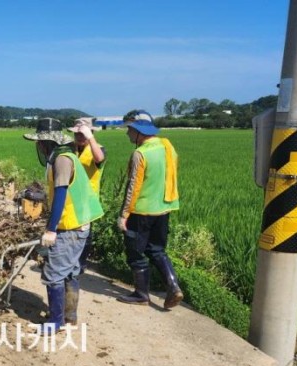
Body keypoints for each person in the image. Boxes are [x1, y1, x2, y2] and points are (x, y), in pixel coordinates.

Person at [23, 118, 103, 331]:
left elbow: (61, 194)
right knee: (69, 272)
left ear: (46, 142)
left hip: (71, 226)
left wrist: (50, 229)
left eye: (39, 142)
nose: (38, 146)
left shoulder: (62, 159)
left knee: (54, 274)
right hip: (79, 223)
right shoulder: (65, 156)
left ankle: (55, 322)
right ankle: (69, 316)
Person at [116, 110, 183, 309]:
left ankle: (141, 293)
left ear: (138, 131)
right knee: (157, 250)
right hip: (164, 208)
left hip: (141, 211)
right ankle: (173, 286)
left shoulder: (140, 153)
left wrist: (124, 214)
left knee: (135, 252)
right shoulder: (167, 146)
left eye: (129, 129)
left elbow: (133, 186)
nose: (127, 133)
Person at [67, 118, 106, 273]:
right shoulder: (71, 149)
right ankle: (71, 261)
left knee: (85, 233)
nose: (79, 137)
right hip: (69, 197)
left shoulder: (98, 149)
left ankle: (81, 264)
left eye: (82, 134)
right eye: (77, 134)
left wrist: (90, 138)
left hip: (87, 199)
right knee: (69, 231)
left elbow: (99, 159)